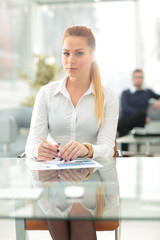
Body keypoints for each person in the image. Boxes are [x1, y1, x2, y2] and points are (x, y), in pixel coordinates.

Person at [25, 25, 119, 240]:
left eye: (79, 53)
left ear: (93, 55)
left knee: (78, 212)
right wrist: (38, 150)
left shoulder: (107, 96)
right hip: (53, 183)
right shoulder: (47, 94)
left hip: (95, 184)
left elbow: (107, 147)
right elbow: (30, 145)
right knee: (60, 212)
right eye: (66, 53)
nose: (70, 61)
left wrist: (86, 148)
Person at [118, 69, 160, 151]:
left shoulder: (147, 92)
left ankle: (118, 126)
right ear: (132, 79)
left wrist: (158, 102)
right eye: (136, 77)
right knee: (125, 125)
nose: (138, 79)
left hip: (139, 121)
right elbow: (125, 108)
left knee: (141, 113)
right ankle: (125, 155)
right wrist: (141, 116)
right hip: (128, 119)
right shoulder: (125, 93)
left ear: (143, 79)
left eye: (140, 77)